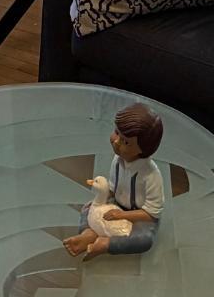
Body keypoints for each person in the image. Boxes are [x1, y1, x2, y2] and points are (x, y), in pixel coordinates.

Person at [64, 103, 165, 258]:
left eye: (125, 142)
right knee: (87, 209)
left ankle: (106, 244)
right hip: (116, 205)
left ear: (143, 149)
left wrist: (122, 216)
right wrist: (101, 199)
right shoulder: (118, 160)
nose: (116, 142)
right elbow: (113, 188)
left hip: (137, 216)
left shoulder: (151, 176)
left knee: (145, 240)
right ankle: (88, 235)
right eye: (116, 133)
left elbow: (151, 215)